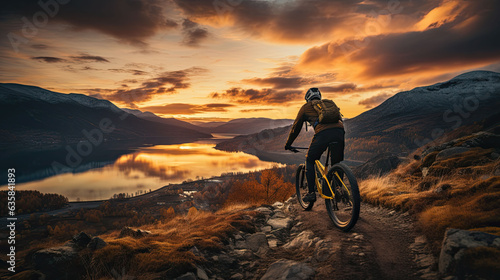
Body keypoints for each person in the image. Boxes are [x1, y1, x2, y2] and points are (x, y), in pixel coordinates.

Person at [285, 88, 345, 203]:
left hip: (323, 134)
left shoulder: (305, 107)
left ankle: (311, 193)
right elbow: (339, 120)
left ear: (307, 98)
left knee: (310, 159)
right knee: (336, 163)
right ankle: (338, 189)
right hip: (339, 132)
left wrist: (288, 144)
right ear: (319, 96)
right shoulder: (329, 104)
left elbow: (295, 128)